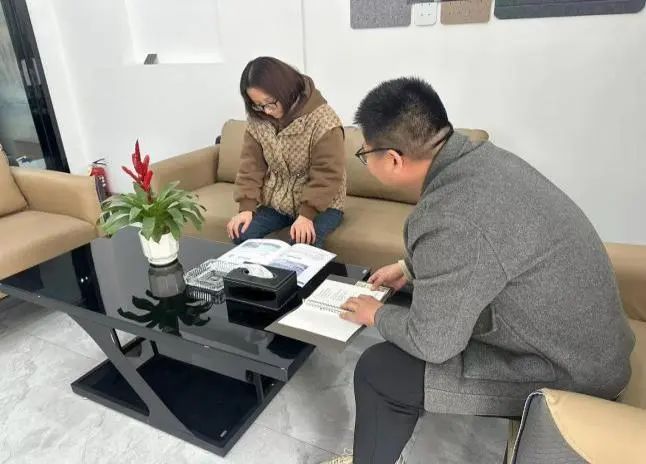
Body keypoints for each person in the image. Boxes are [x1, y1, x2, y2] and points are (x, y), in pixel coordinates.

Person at [323, 77, 635, 464]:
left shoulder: (447, 217)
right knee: (414, 316)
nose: (365, 162)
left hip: (570, 373)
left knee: (379, 371)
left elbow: (433, 344)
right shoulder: (485, 161)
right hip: (593, 347)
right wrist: (409, 268)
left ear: (393, 159)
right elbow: (489, 245)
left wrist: (376, 315)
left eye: (365, 154)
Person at [227, 57, 346, 248]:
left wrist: (307, 215)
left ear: (286, 90)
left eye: (270, 103)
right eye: (258, 105)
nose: (266, 111)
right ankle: (261, 269)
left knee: (303, 245)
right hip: (278, 202)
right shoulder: (258, 119)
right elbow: (250, 167)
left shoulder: (324, 120)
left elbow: (327, 174)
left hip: (323, 206)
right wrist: (246, 207)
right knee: (241, 232)